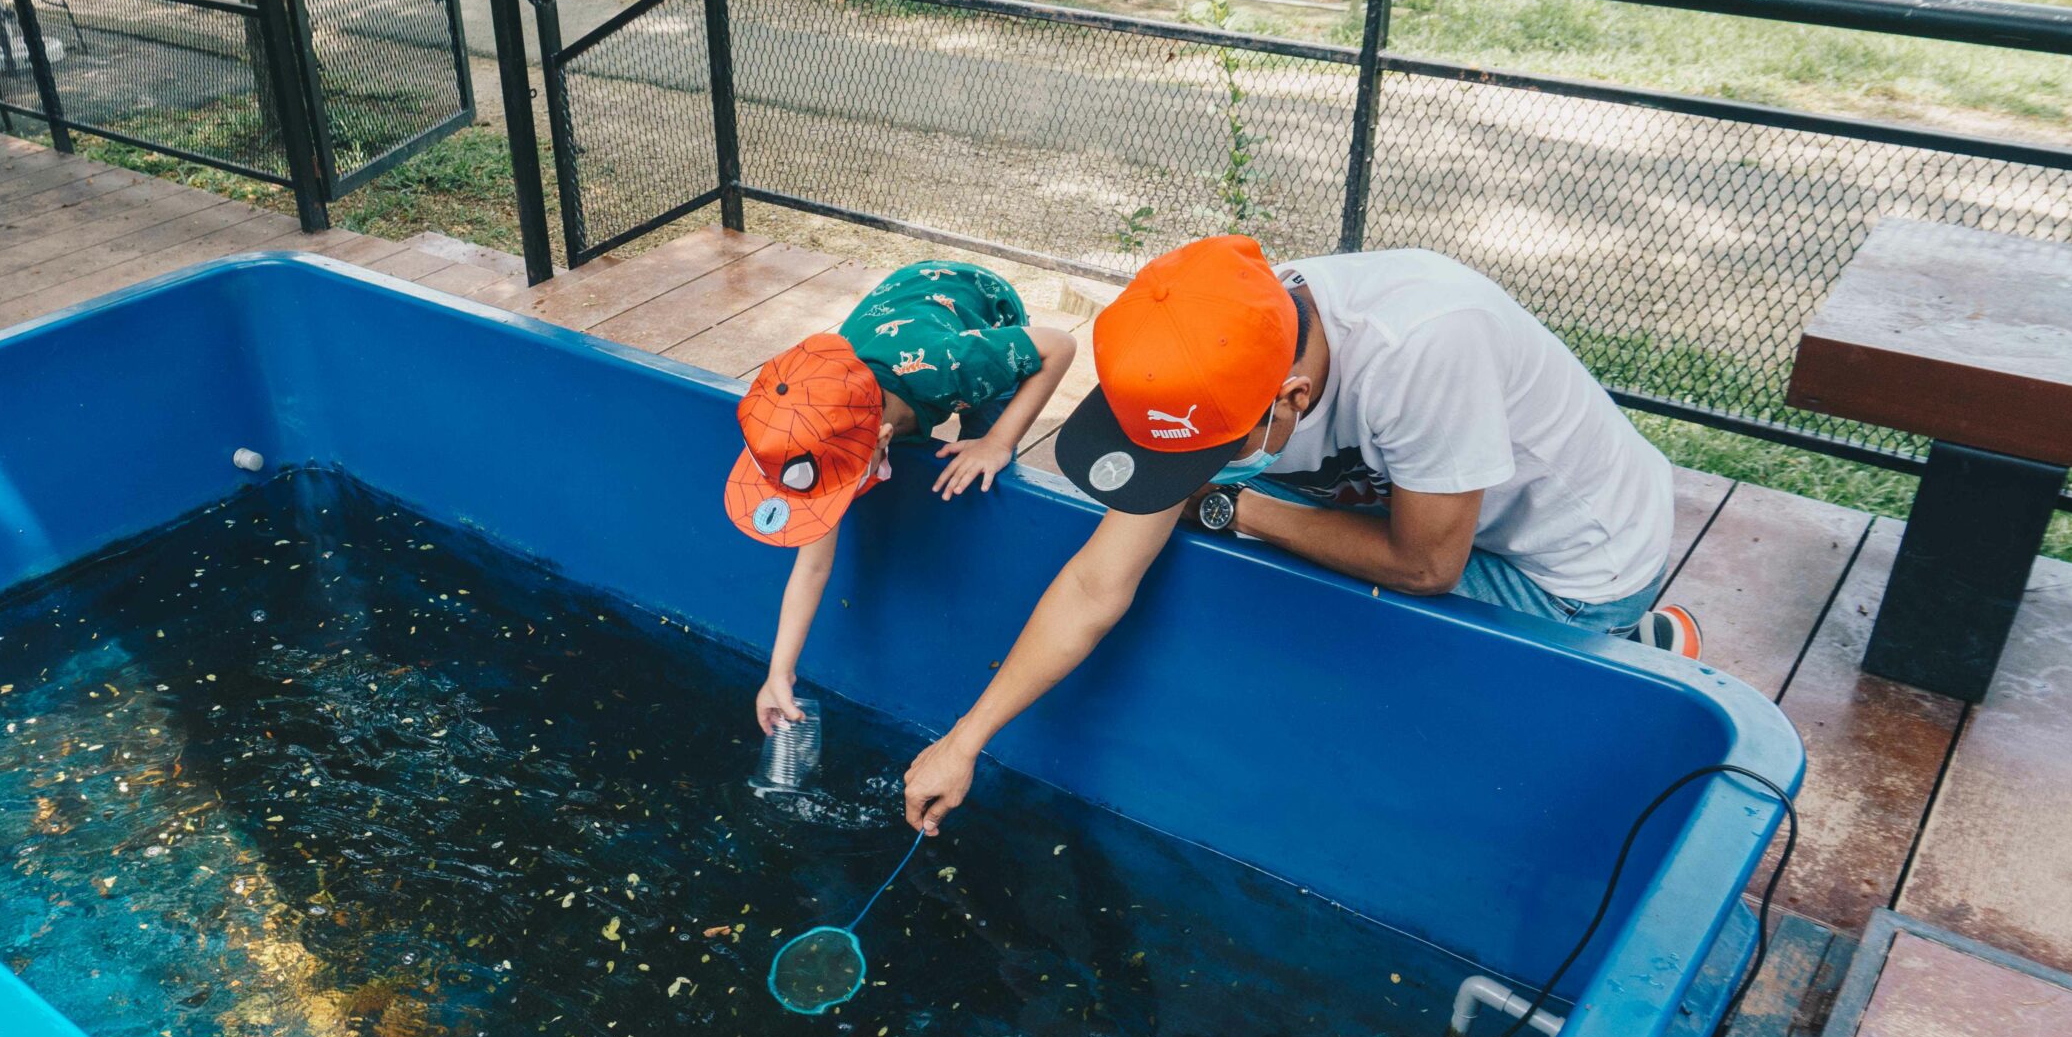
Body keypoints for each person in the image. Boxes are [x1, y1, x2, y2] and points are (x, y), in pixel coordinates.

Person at [900, 235, 1695, 833]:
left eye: (1215, 454)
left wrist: (1228, 506)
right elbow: (1093, 584)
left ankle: (1634, 639)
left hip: (1567, 564)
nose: (1191, 473)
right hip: (1414, 508)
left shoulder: (1423, 346)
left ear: (1292, 397)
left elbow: (1425, 568)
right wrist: (966, 739)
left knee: (1426, 714)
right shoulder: (1214, 343)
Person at [725, 260, 1078, 734]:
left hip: (977, 305)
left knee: (988, 449)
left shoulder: (956, 368)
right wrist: (778, 674)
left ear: (883, 437)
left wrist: (997, 443)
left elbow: (1062, 345)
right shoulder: (820, 409)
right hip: (897, 316)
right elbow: (813, 566)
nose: (836, 500)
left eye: (843, 482)